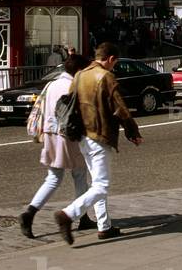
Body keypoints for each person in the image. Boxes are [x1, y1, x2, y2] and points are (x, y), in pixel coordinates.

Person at [54, 42, 143, 245]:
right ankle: (67, 214)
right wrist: (133, 132)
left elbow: (70, 102)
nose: (114, 67)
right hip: (100, 135)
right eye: (115, 63)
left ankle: (104, 226)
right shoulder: (106, 77)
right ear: (110, 59)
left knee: (96, 182)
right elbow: (120, 108)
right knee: (101, 186)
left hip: (82, 135)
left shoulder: (79, 75)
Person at [19, 53, 91, 238]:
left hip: (50, 132)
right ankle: (82, 217)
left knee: (53, 178)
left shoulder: (52, 84)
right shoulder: (73, 85)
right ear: (79, 70)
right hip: (68, 134)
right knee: (80, 174)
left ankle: (30, 212)